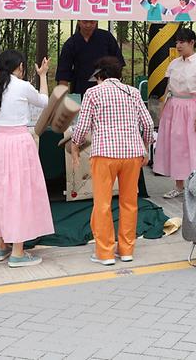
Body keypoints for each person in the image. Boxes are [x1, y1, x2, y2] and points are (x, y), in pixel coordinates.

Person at [0, 51, 53, 268]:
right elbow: (45, 101)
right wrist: (43, 75)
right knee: (19, 193)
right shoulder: (23, 86)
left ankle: (1, 246)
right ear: (21, 66)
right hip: (19, 142)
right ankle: (18, 252)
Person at [71, 56, 155, 265]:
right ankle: (126, 250)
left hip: (104, 153)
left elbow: (82, 127)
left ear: (100, 75)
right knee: (129, 202)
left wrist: (74, 144)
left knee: (102, 203)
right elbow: (148, 124)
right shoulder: (133, 92)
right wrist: (145, 148)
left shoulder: (93, 92)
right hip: (132, 154)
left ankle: (105, 253)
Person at [153, 28, 196, 199]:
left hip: (193, 105)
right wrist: (163, 105)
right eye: (177, 42)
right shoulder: (174, 63)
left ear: (192, 43)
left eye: (182, 42)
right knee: (177, 146)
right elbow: (168, 87)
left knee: (195, 146)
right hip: (174, 106)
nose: (178, 46)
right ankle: (178, 185)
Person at [56, 20, 125, 95]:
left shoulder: (107, 38)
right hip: (80, 89)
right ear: (79, 21)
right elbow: (63, 74)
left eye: (92, 22)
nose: (88, 25)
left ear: (96, 21)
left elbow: (118, 64)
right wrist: (63, 99)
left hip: (107, 89)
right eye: (85, 22)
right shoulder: (71, 43)